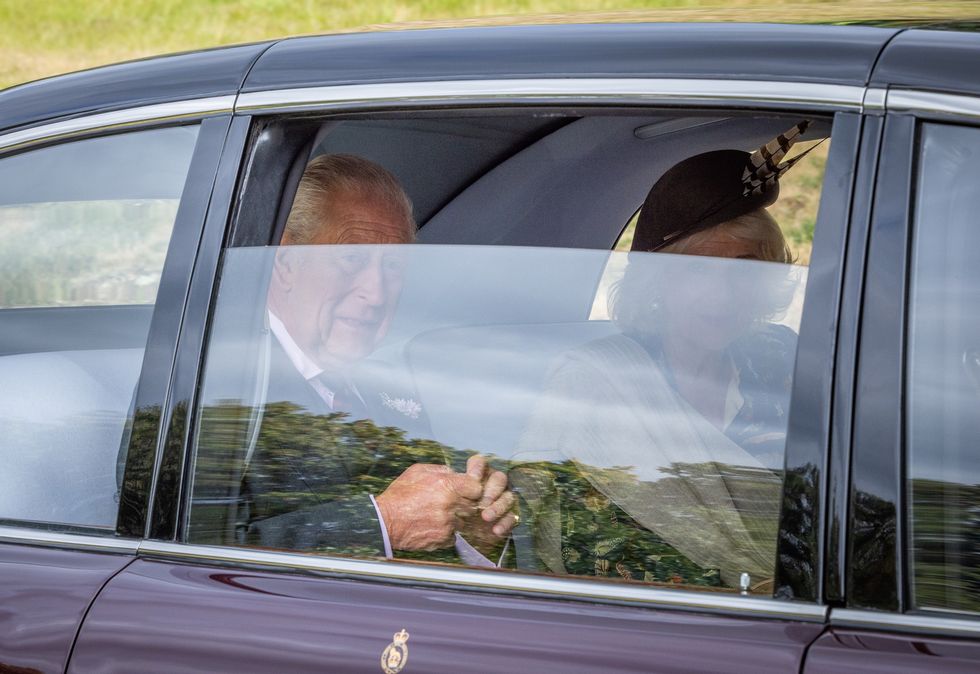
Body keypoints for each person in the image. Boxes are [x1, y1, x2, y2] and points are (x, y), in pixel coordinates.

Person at [511, 123, 815, 590]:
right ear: (656, 283)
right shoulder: (596, 383)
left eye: (745, 271)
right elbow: (551, 535)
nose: (722, 294)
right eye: (697, 269)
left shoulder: (780, 359)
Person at [244, 153, 516, 562]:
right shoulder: (207, 381)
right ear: (284, 262)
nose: (376, 292)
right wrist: (383, 523)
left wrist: (472, 536)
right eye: (352, 258)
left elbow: (425, 543)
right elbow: (190, 558)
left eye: (393, 266)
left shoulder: (389, 389)